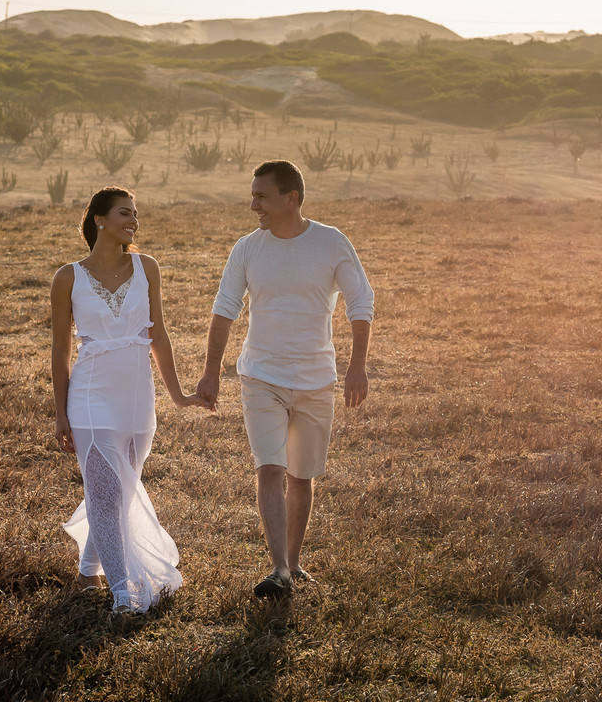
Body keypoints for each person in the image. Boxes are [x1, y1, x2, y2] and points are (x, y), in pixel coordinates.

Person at [197, 160, 374, 599]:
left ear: (290, 198)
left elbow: (360, 301)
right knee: (270, 468)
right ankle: (278, 570)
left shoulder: (331, 243)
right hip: (260, 376)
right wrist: (211, 371)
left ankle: (293, 564)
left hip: (316, 379)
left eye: (261, 195)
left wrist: (357, 365)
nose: (252, 203)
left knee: (301, 475)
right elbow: (224, 309)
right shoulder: (247, 248)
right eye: (252, 194)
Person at [50, 186, 205, 613]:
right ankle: (121, 590)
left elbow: (159, 335)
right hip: (89, 397)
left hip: (139, 400)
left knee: (118, 492)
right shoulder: (68, 277)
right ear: (100, 219)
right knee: (103, 491)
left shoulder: (147, 267)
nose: (133, 221)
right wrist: (60, 413)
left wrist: (179, 395)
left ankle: (87, 573)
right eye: (124, 213)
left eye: (136, 214)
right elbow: (60, 351)